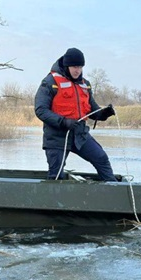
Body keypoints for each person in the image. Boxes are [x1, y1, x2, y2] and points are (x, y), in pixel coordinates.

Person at [34, 47, 116, 181]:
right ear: (66, 66)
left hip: (80, 135)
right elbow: (40, 110)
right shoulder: (50, 82)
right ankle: (55, 200)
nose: (78, 70)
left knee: (101, 158)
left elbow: (92, 110)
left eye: (80, 67)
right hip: (56, 137)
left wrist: (104, 113)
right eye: (74, 67)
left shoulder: (85, 85)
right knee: (56, 176)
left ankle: (115, 192)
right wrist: (63, 122)